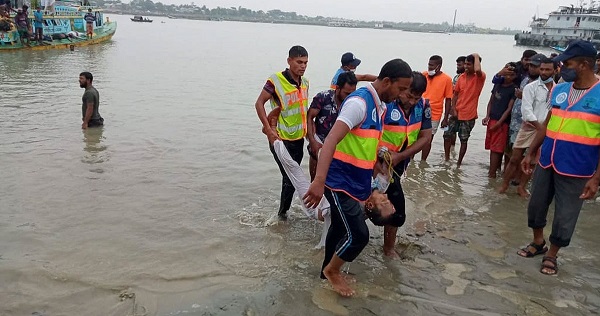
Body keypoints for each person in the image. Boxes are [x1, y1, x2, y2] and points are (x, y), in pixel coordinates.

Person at [303, 59, 413, 297]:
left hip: (356, 182)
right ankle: (333, 271)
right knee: (359, 235)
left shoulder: (379, 105)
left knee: (340, 228)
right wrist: (319, 181)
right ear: (386, 81)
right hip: (338, 181)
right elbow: (330, 140)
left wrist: (375, 169)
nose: (403, 95)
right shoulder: (359, 103)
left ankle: (325, 271)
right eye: (401, 89)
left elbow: (364, 143)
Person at [518, 39, 600, 276]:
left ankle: (552, 254)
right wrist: (531, 151)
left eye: (567, 63)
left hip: (578, 167)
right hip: (547, 160)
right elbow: (547, 123)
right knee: (536, 206)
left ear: (584, 65)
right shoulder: (560, 89)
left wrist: (596, 179)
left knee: (566, 214)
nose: (561, 67)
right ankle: (538, 242)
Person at [377, 72, 432, 257]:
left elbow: (425, 136)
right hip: (376, 163)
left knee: (396, 210)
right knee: (367, 204)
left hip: (398, 164)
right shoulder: (385, 104)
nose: (412, 101)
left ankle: (388, 248)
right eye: (408, 96)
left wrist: (401, 156)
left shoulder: (423, 106)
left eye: (416, 97)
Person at [254, 45, 309, 221]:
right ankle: (282, 216)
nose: (303, 66)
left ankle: (284, 213)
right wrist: (269, 131)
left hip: (299, 139)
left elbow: (303, 110)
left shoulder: (305, 82)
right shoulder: (275, 80)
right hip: (280, 139)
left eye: (306, 63)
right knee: (290, 177)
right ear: (289, 61)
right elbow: (259, 103)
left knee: (291, 179)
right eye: (299, 62)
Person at [500, 56, 555, 196]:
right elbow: (526, 110)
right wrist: (539, 126)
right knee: (514, 158)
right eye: (541, 69)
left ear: (554, 70)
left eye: (547, 69)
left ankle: (522, 187)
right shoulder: (531, 87)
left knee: (533, 162)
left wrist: (543, 128)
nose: (543, 72)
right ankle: (505, 184)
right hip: (529, 126)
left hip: (546, 129)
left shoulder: (558, 90)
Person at [306, 71, 357, 180]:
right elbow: (310, 117)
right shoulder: (323, 97)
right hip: (319, 146)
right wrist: (312, 141)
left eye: (353, 93)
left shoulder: (354, 103)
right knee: (315, 181)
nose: (350, 97)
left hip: (341, 151)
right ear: (337, 88)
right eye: (347, 93)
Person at [443, 54, 486, 167]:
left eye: (469, 64)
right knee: (447, 135)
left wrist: (476, 55)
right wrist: (453, 109)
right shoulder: (461, 77)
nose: (466, 66)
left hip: (469, 115)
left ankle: (458, 163)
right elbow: (455, 94)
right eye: (465, 64)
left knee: (463, 139)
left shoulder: (479, 77)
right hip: (456, 112)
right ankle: (447, 159)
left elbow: (477, 69)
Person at [506, 54, 543, 173]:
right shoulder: (525, 80)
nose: (531, 68)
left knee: (528, 156)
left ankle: (519, 182)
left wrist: (524, 97)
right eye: (530, 65)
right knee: (512, 154)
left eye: (535, 66)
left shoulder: (544, 85)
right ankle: (507, 181)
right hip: (516, 122)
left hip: (533, 126)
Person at [482, 63, 517, 178]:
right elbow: (491, 101)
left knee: (496, 149)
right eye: (506, 74)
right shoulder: (498, 84)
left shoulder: (513, 89)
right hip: (492, 119)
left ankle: (491, 174)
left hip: (502, 123)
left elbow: (509, 108)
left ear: (515, 76)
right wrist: (487, 116)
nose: (508, 77)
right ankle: (494, 171)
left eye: (511, 75)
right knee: (492, 147)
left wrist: (499, 123)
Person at [421, 55, 453, 161]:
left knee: (428, 139)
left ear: (438, 67)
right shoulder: (423, 75)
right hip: (419, 110)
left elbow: (448, 99)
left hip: (434, 113)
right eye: (428, 65)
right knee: (414, 137)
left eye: (431, 65)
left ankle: (423, 161)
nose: (429, 68)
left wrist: (446, 118)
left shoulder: (447, 79)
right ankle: (410, 161)